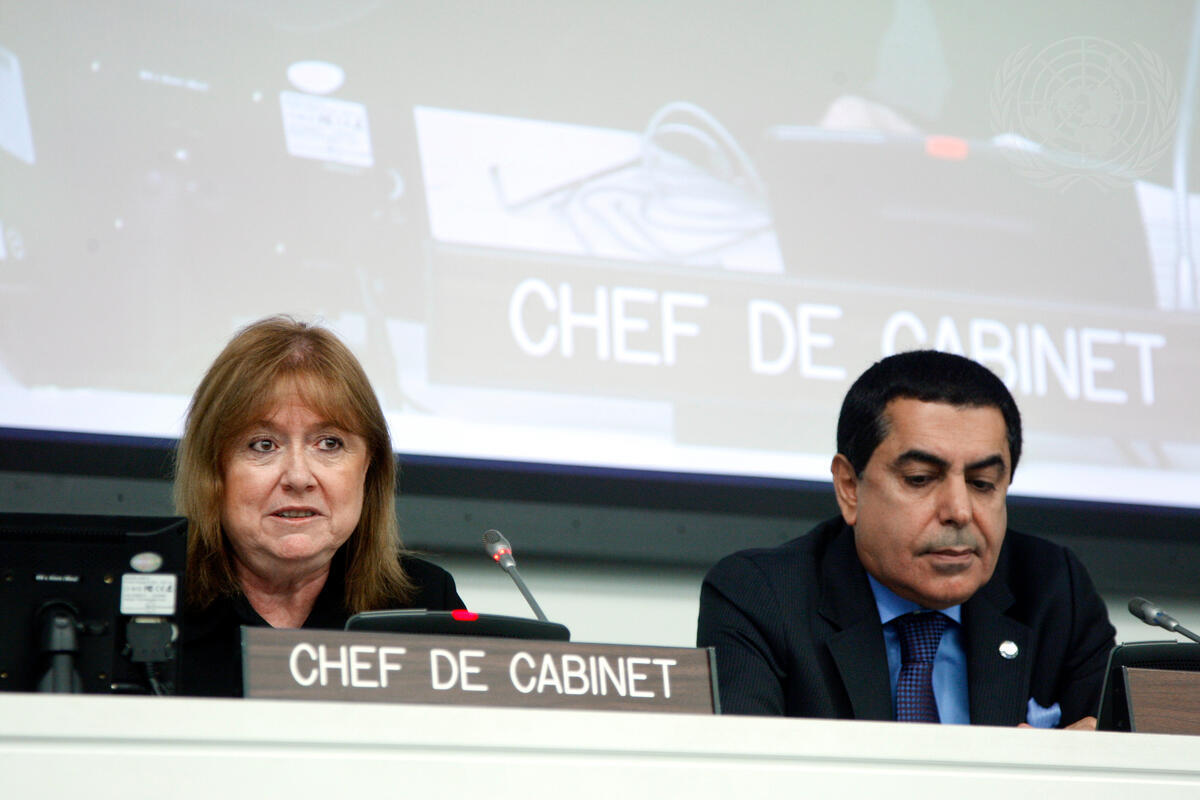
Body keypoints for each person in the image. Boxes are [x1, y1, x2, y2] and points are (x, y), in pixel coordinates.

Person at [697, 350, 1115, 728]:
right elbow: (745, 772)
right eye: (920, 479)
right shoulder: (763, 598)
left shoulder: (1053, 591)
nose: (959, 511)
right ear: (849, 487)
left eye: (982, 483)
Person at [175, 315, 464, 696]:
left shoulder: (424, 604)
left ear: (369, 468)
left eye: (329, 443)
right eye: (263, 445)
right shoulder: (151, 608)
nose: (298, 477)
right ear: (213, 469)